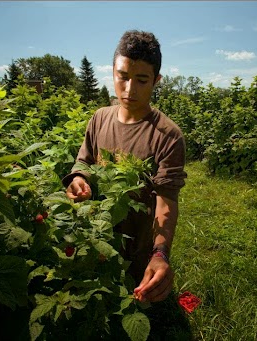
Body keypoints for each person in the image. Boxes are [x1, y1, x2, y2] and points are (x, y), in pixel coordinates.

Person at [62, 30, 187, 303]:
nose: (129, 90)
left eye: (142, 80)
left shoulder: (168, 135)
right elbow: (83, 161)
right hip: (95, 237)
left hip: (138, 251)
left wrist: (160, 254)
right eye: (123, 77)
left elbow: (166, 201)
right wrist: (79, 178)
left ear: (157, 80)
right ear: (113, 71)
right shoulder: (99, 118)